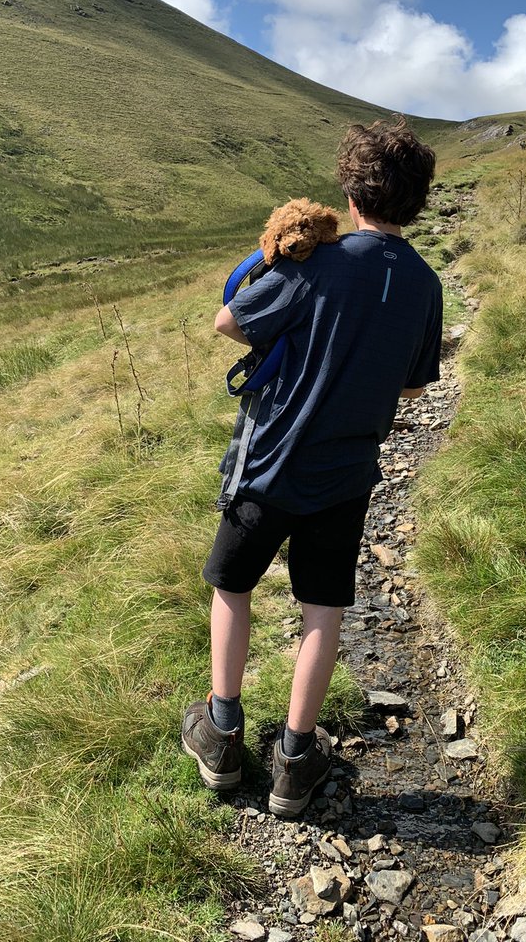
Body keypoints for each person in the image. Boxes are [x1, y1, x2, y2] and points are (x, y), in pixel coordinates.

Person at [181, 118, 443, 817]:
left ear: (351, 193)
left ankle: (221, 732)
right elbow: (416, 383)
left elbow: (228, 323)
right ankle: (296, 762)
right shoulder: (425, 283)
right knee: (322, 610)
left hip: (269, 463)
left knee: (231, 588)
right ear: (416, 202)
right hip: (347, 471)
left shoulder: (316, 262)